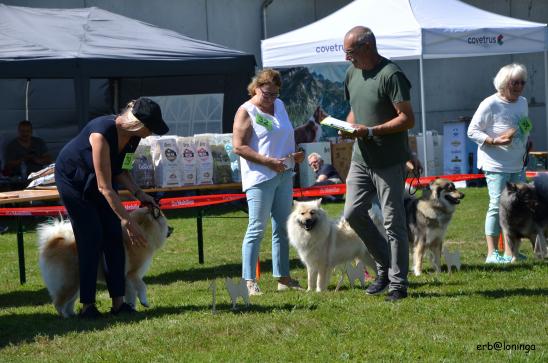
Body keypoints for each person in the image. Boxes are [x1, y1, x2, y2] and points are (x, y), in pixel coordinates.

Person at [55, 97, 169, 318]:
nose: (152, 133)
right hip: (74, 182)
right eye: (151, 129)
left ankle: (119, 303)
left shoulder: (134, 139)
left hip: (102, 181)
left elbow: (121, 171)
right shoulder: (101, 133)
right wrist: (126, 219)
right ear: (139, 124)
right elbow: (105, 187)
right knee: (91, 237)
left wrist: (140, 194)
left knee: (113, 236)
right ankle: (88, 305)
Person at [340, 26, 415, 302]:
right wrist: (349, 128)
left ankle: (398, 284)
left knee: (394, 222)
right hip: (361, 159)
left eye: (350, 52)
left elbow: (407, 118)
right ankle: (385, 265)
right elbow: (354, 111)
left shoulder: (391, 75)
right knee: (352, 213)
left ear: (367, 47)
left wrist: (370, 131)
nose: (347, 58)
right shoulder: (351, 73)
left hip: (389, 161)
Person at [233, 68, 305, 296]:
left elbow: (284, 135)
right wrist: (267, 161)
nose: (271, 98)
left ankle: (283, 277)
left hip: (284, 173)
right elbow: (239, 146)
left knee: (283, 227)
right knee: (256, 228)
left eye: (275, 94)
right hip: (260, 177)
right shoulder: (246, 111)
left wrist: (295, 154)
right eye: (267, 94)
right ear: (256, 88)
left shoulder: (280, 106)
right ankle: (249, 281)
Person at [467, 63, 531, 264]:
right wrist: (493, 141)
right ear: (504, 83)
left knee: (518, 207)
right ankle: (491, 253)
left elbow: (524, 124)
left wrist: (526, 139)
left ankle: (511, 252)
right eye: (515, 82)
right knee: (497, 206)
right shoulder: (490, 103)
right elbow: (472, 131)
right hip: (495, 165)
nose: (519, 86)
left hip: (517, 163)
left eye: (522, 82)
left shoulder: (523, 102)